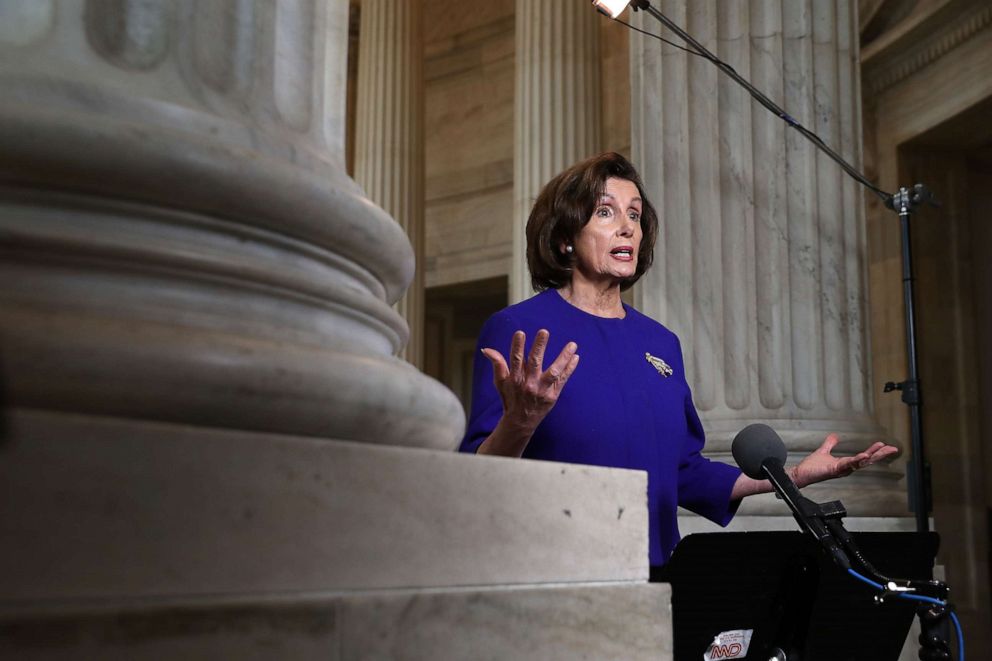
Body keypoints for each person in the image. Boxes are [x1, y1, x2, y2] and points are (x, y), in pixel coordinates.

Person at [458, 152, 897, 569]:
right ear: (564, 238)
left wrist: (791, 477)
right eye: (606, 212)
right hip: (556, 573)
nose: (627, 227)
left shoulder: (660, 343)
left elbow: (683, 471)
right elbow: (476, 478)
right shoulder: (518, 329)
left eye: (634, 214)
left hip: (659, 573)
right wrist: (521, 420)